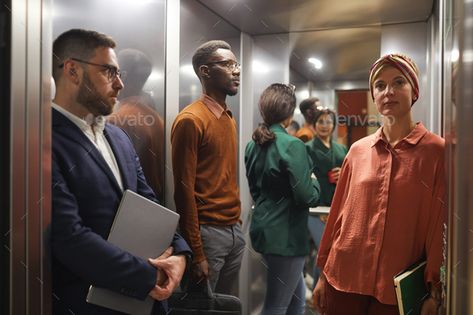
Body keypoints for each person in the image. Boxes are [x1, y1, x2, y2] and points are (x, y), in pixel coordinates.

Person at [51, 29, 191, 315]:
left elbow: (148, 202)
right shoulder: (41, 140)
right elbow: (69, 236)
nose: (120, 83)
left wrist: (179, 253)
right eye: (109, 72)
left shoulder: (118, 137)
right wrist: (149, 275)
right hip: (88, 304)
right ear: (73, 70)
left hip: (146, 300)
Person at [312, 53, 445, 315]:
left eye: (398, 82)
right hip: (342, 281)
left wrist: (434, 289)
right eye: (380, 86)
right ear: (373, 94)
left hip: (395, 291)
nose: (388, 92)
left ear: (414, 90)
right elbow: (338, 215)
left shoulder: (436, 152)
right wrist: (322, 275)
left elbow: (437, 226)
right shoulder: (357, 151)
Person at [171, 40, 245, 295]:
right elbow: (183, 191)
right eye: (227, 64)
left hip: (234, 230)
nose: (236, 70)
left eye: (237, 64)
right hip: (208, 234)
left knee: (226, 308)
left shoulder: (227, 117)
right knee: (201, 309)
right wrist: (197, 250)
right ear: (205, 71)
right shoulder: (191, 120)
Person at [245, 83, 320, 315]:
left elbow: (255, 191)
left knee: (296, 303)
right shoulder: (293, 144)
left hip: (266, 232)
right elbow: (307, 195)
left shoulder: (252, 145)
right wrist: (314, 180)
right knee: (276, 307)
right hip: (286, 237)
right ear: (289, 114)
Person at [108, 48, 165, 200]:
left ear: (122, 76)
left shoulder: (116, 120)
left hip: (131, 205)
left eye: (112, 72)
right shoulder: (157, 119)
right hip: (155, 201)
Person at [305, 108, 347, 289]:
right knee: (325, 250)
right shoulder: (307, 148)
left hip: (337, 209)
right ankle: (318, 291)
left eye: (328, 122)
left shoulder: (342, 148)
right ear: (314, 125)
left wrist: (343, 173)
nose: (324, 126)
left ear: (333, 125)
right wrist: (320, 209)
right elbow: (305, 180)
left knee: (329, 252)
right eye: (320, 122)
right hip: (315, 210)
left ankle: (323, 292)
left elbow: (352, 177)